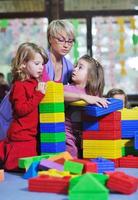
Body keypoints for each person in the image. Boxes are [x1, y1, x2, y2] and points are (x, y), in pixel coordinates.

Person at [0, 19, 75, 140]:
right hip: (15, 116)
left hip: (35, 120)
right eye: (61, 40)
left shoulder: (69, 67)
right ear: (50, 39)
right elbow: (49, 92)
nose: (66, 45)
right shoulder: (40, 59)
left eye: (70, 41)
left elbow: (69, 92)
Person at [0, 42, 48, 171]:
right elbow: (20, 110)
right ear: (23, 64)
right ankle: (4, 150)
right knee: (16, 167)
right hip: (21, 136)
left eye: (42, 64)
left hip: (31, 135)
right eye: (37, 64)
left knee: (31, 167)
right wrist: (38, 94)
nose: (41, 67)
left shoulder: (35, 83)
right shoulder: (19, 85)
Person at [64, 55, 109, 158]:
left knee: (89, 156)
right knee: (72, 153)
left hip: (86, 133)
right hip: (68, 132)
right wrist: (82, 97)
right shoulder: (67, 88)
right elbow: (59, 95)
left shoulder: (94, 93)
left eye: (80, 67)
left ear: (89, 76)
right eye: (76, 66)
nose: (74, 69)